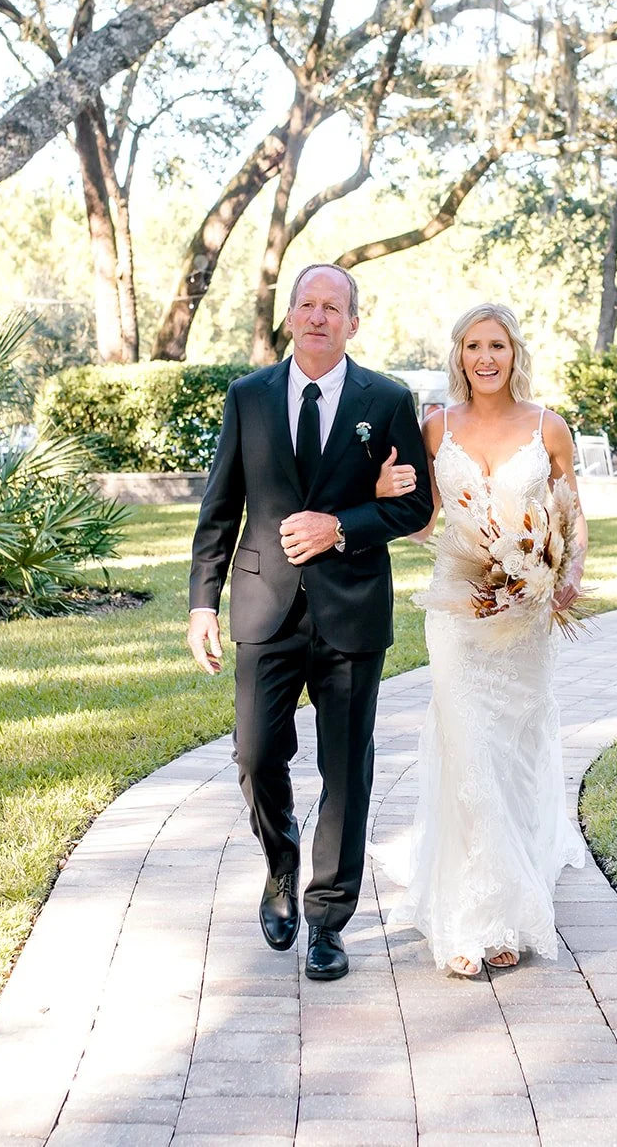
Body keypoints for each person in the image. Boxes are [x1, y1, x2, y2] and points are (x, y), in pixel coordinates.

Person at [186, 263, 433, 982]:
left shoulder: (387, 399)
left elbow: (414, 506)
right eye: (307, 304)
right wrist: (203, 602)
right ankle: (281, 861)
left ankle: (327, 920)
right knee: (255, 755)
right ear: (290, 315)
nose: (319, 316)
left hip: (352, 610)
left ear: (354, 322)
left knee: (347, 771)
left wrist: (342, 525)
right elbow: (221, 507)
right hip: (264, 606)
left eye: (333, 307)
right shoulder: (248, 397)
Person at [372, 302, 589, 976]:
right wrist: (383, 491)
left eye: (497, 345)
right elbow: (420, 521)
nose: (485, 357)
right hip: (458, 611)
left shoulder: (549, 427)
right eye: (473, 346)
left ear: (514, 352)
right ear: (459, 355)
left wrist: (566, 575)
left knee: (513, 756)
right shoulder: (436, 426)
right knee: (468, 753)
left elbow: (572, 516)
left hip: (523, 618)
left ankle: (510, 909)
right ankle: (472, 921)